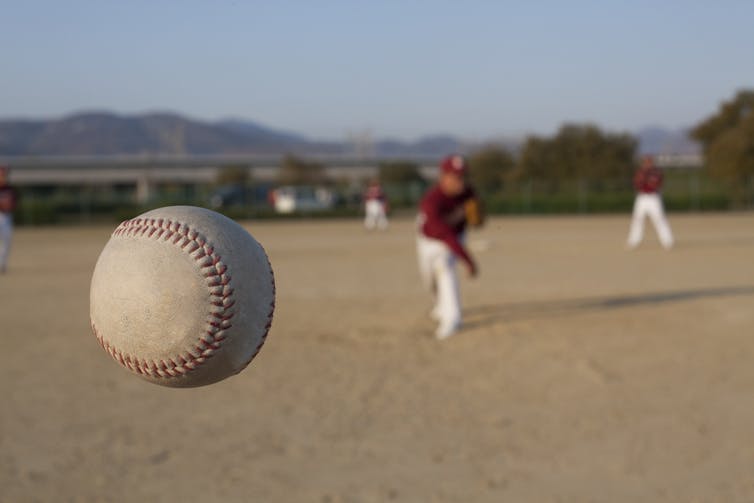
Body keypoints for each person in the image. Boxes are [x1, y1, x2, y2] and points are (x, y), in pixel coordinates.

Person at [416, 154, 485, 339]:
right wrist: (469, 262)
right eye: (455, 177)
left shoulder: (468, 193)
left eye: (463, 176)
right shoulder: (432, 201)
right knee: (429, 280)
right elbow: (447, 236)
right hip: (430, 240)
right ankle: (439, 304)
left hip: (454, 238)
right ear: (443, 177)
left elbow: (477, 221)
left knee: (444, 268)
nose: (460, 182)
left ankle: (452, 318)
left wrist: (478, 218)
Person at [626, 155, 674, 250]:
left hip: (653, 198)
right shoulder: (640, 171)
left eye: (649, 162)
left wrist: (646, 182)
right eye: (645, 162)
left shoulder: (656, 172)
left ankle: (668, 241)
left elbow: (656, 184)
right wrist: (641, 182)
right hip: (642, 197)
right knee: (637, 219)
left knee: (659, 219)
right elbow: (636, 183)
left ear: (652, 162)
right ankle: (634, 241)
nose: (647, 164)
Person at [0, 165, 19, 274]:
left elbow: (15, 202)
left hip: (7, 217)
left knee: (6, 241)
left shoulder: (10, 189)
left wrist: (10, 206)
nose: (2, 176)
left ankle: (2, 265)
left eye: (4, 174)